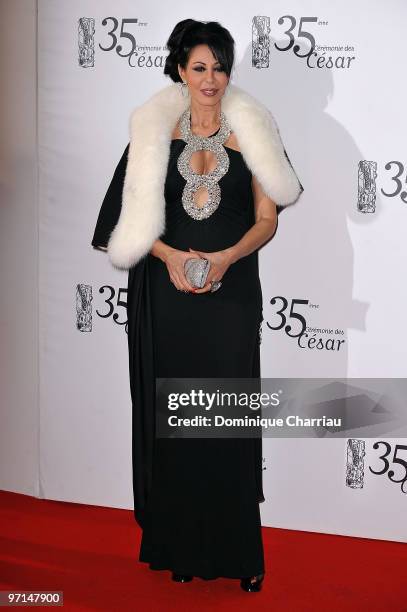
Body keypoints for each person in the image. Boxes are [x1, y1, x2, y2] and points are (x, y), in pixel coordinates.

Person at [91, 19, 303, 592]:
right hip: (170, 296)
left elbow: (267, 218)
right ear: (180, 70)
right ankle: (181, 545)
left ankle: (242, 555)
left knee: (227, 423)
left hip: (230, 298)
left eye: (220, 67)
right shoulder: (153, 132)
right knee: (180, 424)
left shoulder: (254, 130)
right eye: (199, 67)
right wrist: (170, 258)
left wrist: (228, 258)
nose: (211, 79)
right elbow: (119, 222)